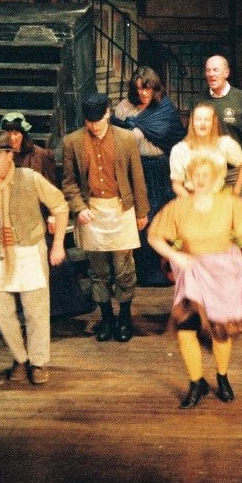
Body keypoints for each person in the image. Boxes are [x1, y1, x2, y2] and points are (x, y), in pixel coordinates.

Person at [148, 153, 242, 409]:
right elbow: (154, 236)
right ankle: (196, 382)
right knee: (185, 328)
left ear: (216, 180)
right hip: (193, 273)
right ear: (189, 180)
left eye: (206, 175)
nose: (201, 180)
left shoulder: (229, 203)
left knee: (220, 331)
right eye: (196, 175)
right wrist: (174, 255)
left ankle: (222, 377)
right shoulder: (178, 207)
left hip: (223, 273)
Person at [0, 130, 70, 385]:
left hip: (28, 250)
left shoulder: (29, 178)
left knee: (36, 311)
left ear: (9, 155)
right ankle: (20, 358)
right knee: (1, 312)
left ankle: (38, 361)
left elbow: (60, 206)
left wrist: (58, 245)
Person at [62, 93, 150, 343]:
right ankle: (107, 318)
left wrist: (141, 212)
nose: (94, 125)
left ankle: (124, 318)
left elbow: (137, 177)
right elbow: (69, 182)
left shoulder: (126, 138)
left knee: (123, 269)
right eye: (89, 121)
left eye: (98, 120)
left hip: (121, 209)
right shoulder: (72, 142)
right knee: (97, 270)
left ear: (108, 113)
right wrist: (78, 208)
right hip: (92, 211)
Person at [0, 112, 92, 317]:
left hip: (37, 213)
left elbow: (52, 186)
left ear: (23, 134)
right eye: (8, 133)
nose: (12, 137)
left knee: (52, 256)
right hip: (10, 215)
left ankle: (60, 307)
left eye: (16, 133)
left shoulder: (40, 155)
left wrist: (52, 214)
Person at [111, 67, 186, 286]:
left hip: (161, 168)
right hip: (135, 169)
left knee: (160, 216)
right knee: (139, 218)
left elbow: (175, 138)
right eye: (139, 89)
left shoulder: (164, 108)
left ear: (155, 88)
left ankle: (163, 268)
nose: (144, 93)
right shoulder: (124, 108)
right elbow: (115, 138)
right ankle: (142, 270)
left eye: (148, 88)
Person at [204, 55, 242, 201]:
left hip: (238, 169)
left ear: (226, 72)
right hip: (209, 170)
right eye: (208, 70)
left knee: (240, 210)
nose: (211, 74)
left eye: (215, 70)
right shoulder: (199, 101)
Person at [169, 103, 242, 197]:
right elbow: (176, 184)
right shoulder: (180, 150)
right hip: (190, 198)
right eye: (198, 119)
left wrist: (236, 190)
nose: (202, 123)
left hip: (218, 198)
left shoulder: (224, 144)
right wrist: (192, 202)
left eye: (207, 119)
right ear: (192, 122)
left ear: (213, 122)